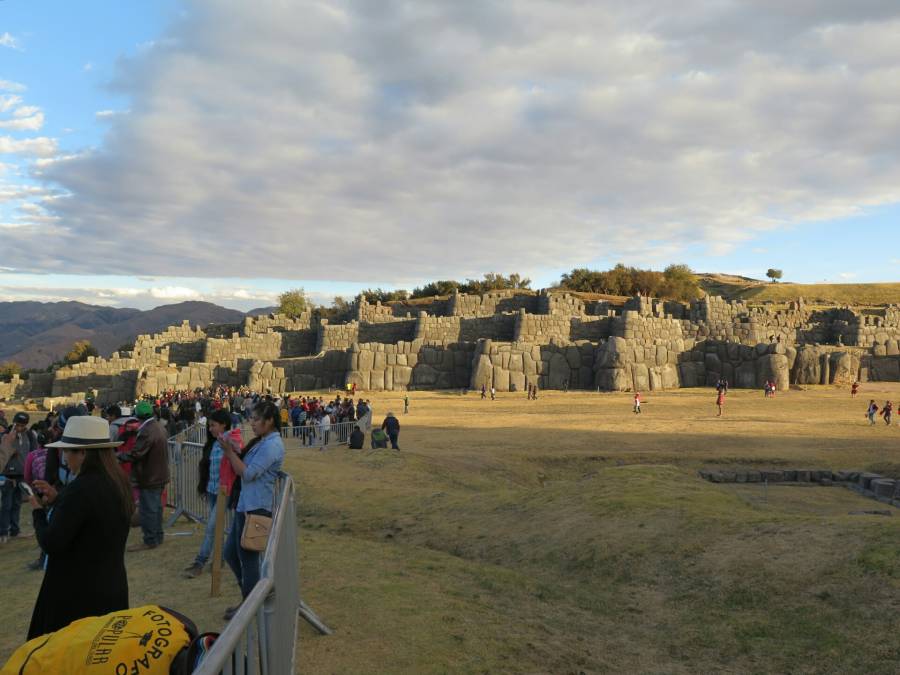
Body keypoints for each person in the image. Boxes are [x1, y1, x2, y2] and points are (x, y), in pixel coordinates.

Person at [25, 415, 133, 640]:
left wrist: (37, 511)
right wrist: (58, 500)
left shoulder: (81, 489)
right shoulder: (117, 481)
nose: (64, 458)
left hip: (78, 595)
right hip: (111, 585)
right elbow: (92, 521)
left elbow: (51, 542)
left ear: (83, 453)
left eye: (68, 451)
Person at [220, 401, 284, 620]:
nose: (252, 423)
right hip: (246, 505)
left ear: (270, 421)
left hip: (257, 509)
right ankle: (252, 596)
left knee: (248, 559)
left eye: (257, 419)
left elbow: (247, 474)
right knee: (230, 553)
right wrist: (235, 450)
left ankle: (250, 606)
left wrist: (229, 453)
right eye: (252, 418)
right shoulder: (263, 442)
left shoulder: (272, 445)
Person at [184, 409, 240, 578]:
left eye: (213, 425)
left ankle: (199, 562)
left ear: (223, 425)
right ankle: (220, 559)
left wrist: (230, 440)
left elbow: (238, 450)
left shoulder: (231, 439)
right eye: (209, 425)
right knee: (216, 527)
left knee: (211, 527)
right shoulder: (213, 442)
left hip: (225, 492)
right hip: (212, 490)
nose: (210, 428)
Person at [118, 400, 169, 551]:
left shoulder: (147, 431)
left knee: (148, 509)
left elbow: (137, 453)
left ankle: (150, 540)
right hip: (160, 473)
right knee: (157, 508)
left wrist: (119, 456)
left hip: (150, 476)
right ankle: (158, 536)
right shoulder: (158, 426)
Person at [0, 412, 36, 543]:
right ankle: (3, 532)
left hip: (22, 474)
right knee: (6, 505)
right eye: (18, 425)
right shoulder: (6, 436)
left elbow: (33, 452)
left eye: (23, 425)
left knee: (17, 503)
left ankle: (15, 531)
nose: (19, 428)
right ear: (14, 422)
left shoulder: (29, 435)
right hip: (8, 475)